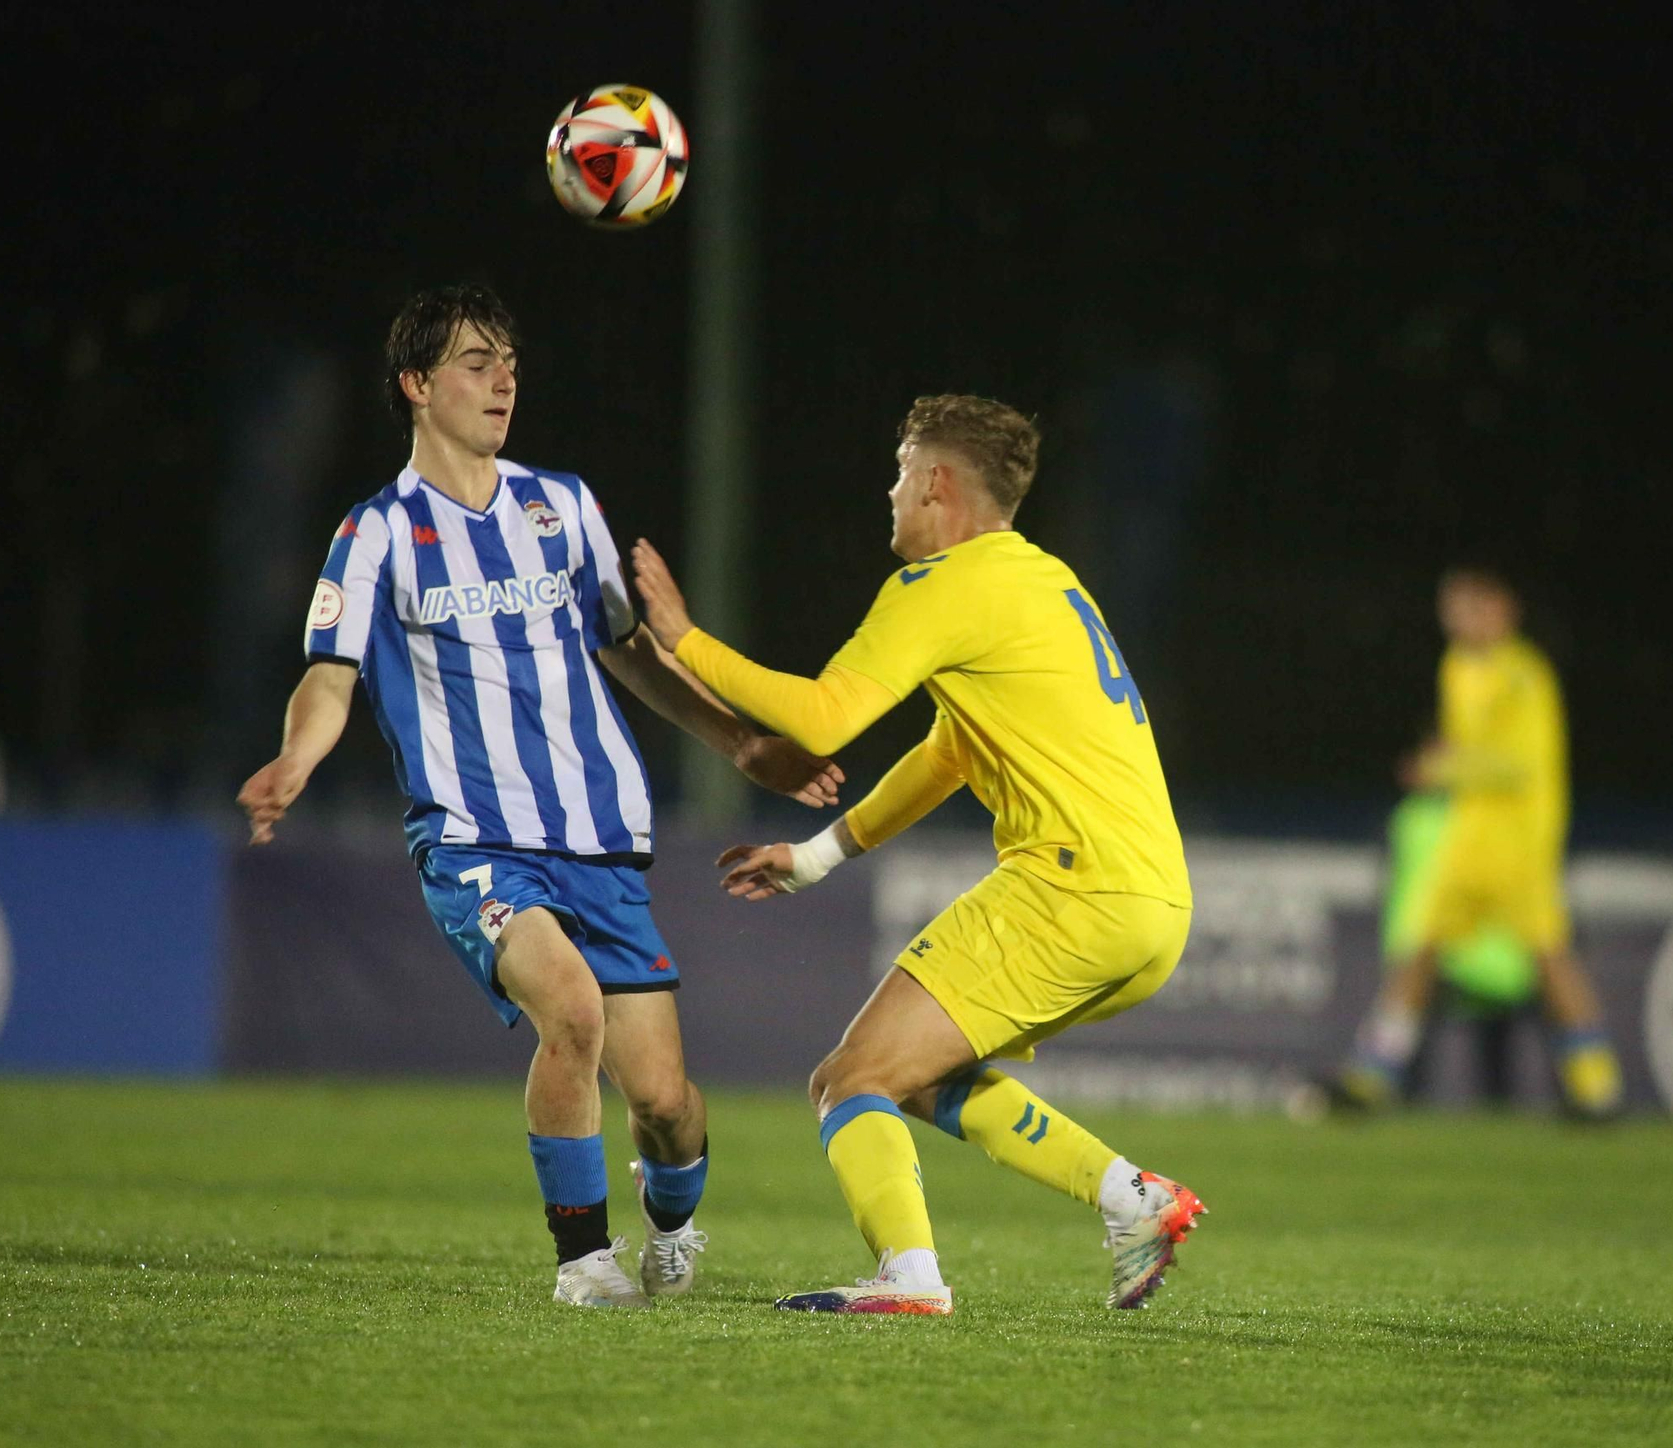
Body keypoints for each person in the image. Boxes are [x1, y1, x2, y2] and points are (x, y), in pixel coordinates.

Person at [236, 284, 844, 1309]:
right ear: (416, 385)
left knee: (663, 1100)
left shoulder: (559, 505)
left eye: (509, 360)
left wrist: (742, 742)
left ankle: (673, 1218)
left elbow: (630, 652)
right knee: (568, 1009)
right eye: (476, 361)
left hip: (595, 835)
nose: (502, 377)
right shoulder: (376, 532)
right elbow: (328, 674)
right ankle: (582, 1260)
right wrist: (295, 759)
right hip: (473, 840)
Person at [629, 394, 1205, 1316]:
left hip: (1069, 884)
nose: (890, 493)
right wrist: (817, 857)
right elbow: (950, 753)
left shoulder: (946, 584)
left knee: (848, 1081)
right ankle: (1134, 1199)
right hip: (1152, 907)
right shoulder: (1043, 580)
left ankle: (910, 1278)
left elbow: (823, 716)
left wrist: (682, 638)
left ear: (936, 483)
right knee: (917, 1075)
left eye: (900, 472)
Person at [1331, 567, 1623, 1117]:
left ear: (1504, 609)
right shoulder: (1458, 667)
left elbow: (1516, 765)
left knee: (1550, 957)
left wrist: (1441, 769)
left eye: (1471, 606)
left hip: (1519, 843)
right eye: (1452, 608)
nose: (1458, 619)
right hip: (1469, 842)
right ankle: (1370, 1079)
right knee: (1421, 951)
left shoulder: (1523, 675)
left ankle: (1597, 1087)